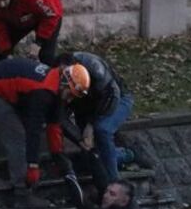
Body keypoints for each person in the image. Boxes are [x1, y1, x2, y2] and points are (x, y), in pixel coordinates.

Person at [0, 57, 83, 208]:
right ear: (65, 84)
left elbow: (54, 124)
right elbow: (33, 130)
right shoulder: (42, 92)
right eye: (70, 94)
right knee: (18, 138)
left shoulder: (56, 82)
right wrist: (32, 166)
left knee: (20, 132)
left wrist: (58, 154)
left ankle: (19, 172)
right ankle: (21, 194)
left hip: (6, 85)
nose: (70, 100)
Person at [57, 52, 143, 181]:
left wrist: (91, 124)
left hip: (117, 98)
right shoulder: (55, 77)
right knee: (89, 152)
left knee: (102, 129)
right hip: (85, 107)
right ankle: (124, 155)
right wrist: (79, 139)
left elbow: (112, 96)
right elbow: (59, 116)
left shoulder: (95, 68)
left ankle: (114, 182)